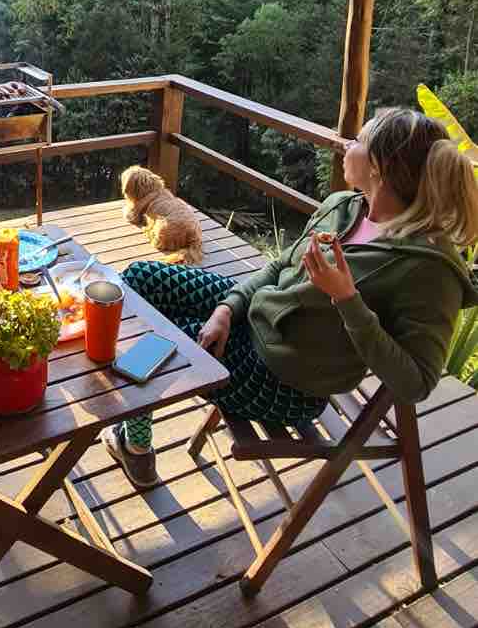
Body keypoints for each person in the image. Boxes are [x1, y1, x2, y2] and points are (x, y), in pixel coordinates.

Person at [103, 106, 478, 490]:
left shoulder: (428, 270)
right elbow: (280, 264)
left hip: (282, 381)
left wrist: (347, 300)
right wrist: (226, 309)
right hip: (255, 318)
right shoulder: (346, 207)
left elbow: (416, 383)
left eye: (359, 141)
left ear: (380, 168)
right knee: (137, 279)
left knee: (150, 345)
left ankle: (135, 447)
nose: (346, 144)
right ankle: (136, 431)